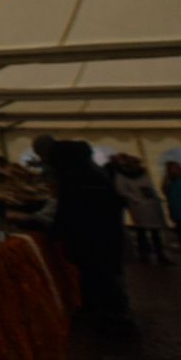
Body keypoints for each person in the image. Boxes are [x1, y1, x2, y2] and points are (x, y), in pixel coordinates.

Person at [50, 140, 135, 333]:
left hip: (91, 237)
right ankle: (107, 313)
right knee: (102, 275)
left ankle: (112, 319)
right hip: (104, 236)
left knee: (98, 275)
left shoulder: (75, 177)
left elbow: (68, 210)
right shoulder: (94, 173)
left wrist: (55, 232)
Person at [109, 154, 171, 264]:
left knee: (154, 231)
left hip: (149, 203)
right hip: (137, 205)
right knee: (141, 230)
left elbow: (150, 186)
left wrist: (153, 197)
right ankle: (144, 254)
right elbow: (121, 189)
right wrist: (135, 199)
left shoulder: (143, 173)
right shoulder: (122, 175)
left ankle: (159, 253)